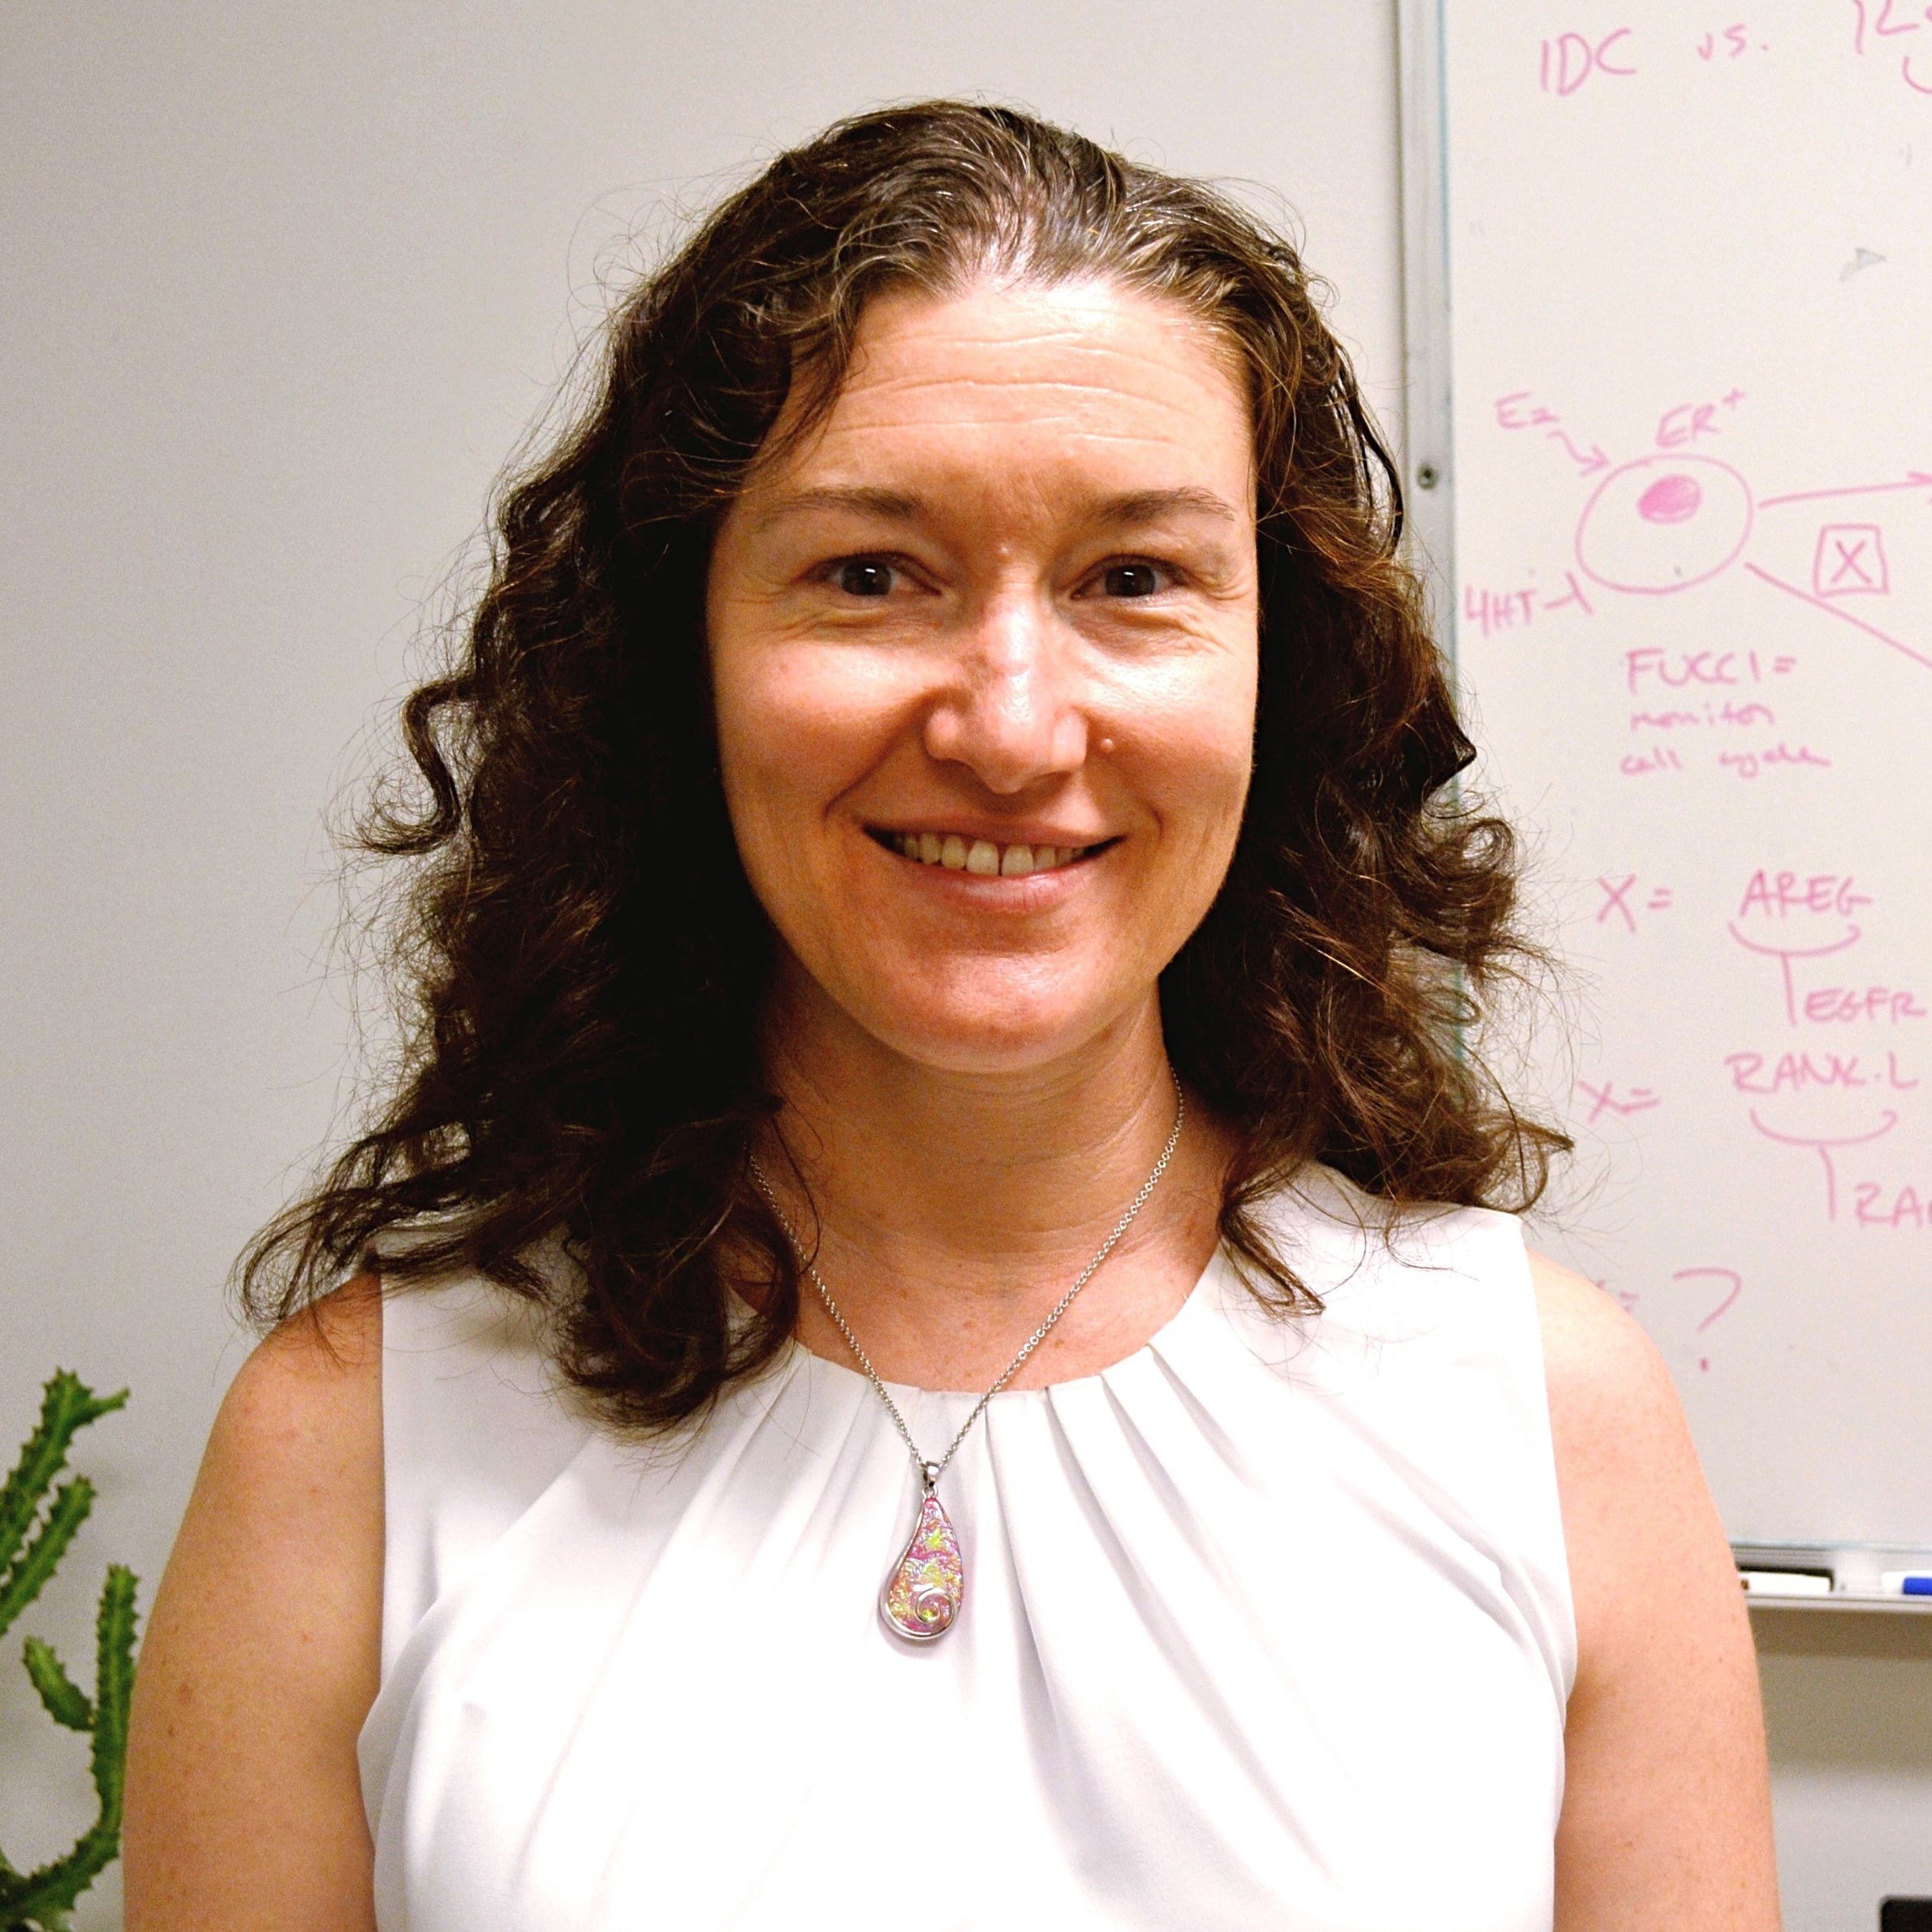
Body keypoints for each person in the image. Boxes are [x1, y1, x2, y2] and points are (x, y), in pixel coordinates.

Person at [122, 101, 1779, 1929]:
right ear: (680, 657)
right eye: (869, 573)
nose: (1007, 726)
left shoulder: (1548, 1416)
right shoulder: (343, 1447)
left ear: (1273, 662)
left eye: (1132, 577)